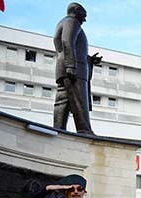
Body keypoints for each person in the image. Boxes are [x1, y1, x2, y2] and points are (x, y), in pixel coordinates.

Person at [53, 3, 100, 134]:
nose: (84, 19)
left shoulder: (64, 22)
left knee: (63, 100)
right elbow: (67, 41)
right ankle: (84, 130)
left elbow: (69, 47)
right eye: (84, 15)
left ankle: (58, 129)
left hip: (65, 67)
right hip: (74, 69)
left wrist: (89, 59)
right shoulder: (72, 22)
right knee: (80, 100)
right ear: (76, 11)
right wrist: (71, 65)